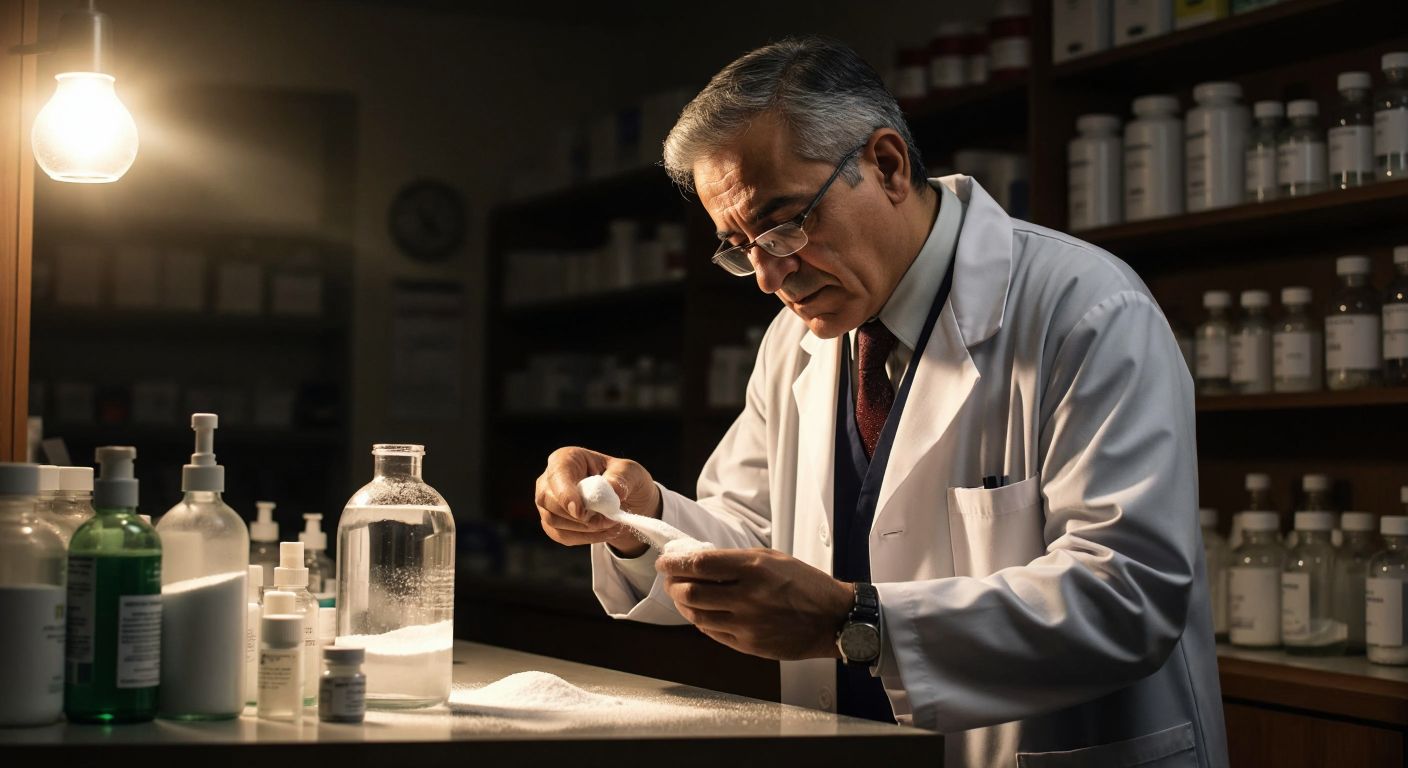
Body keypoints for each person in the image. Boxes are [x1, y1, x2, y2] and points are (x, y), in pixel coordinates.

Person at [534, 37, 1228, 768]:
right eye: (740, 246)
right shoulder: (792, 340)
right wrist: (638, 522)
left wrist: (854, 620)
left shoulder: (1086, 311)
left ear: (888, 165)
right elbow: (747, 533)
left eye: (784, 223)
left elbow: (1128, 597)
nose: (769, 276)